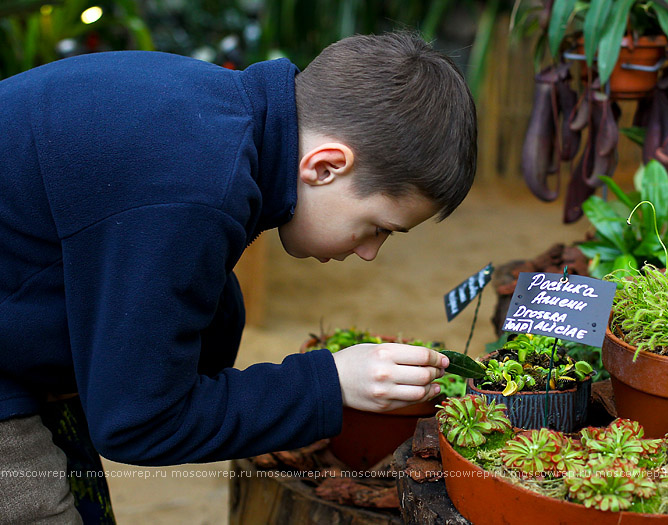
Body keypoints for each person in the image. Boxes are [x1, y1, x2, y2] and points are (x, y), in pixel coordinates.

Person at [0, 31, 477, 523]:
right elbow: (138, 423)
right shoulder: (195, 192)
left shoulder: (222, 121)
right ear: (326, 166)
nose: (370, 252)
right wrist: (328, 383)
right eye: (377, 228)